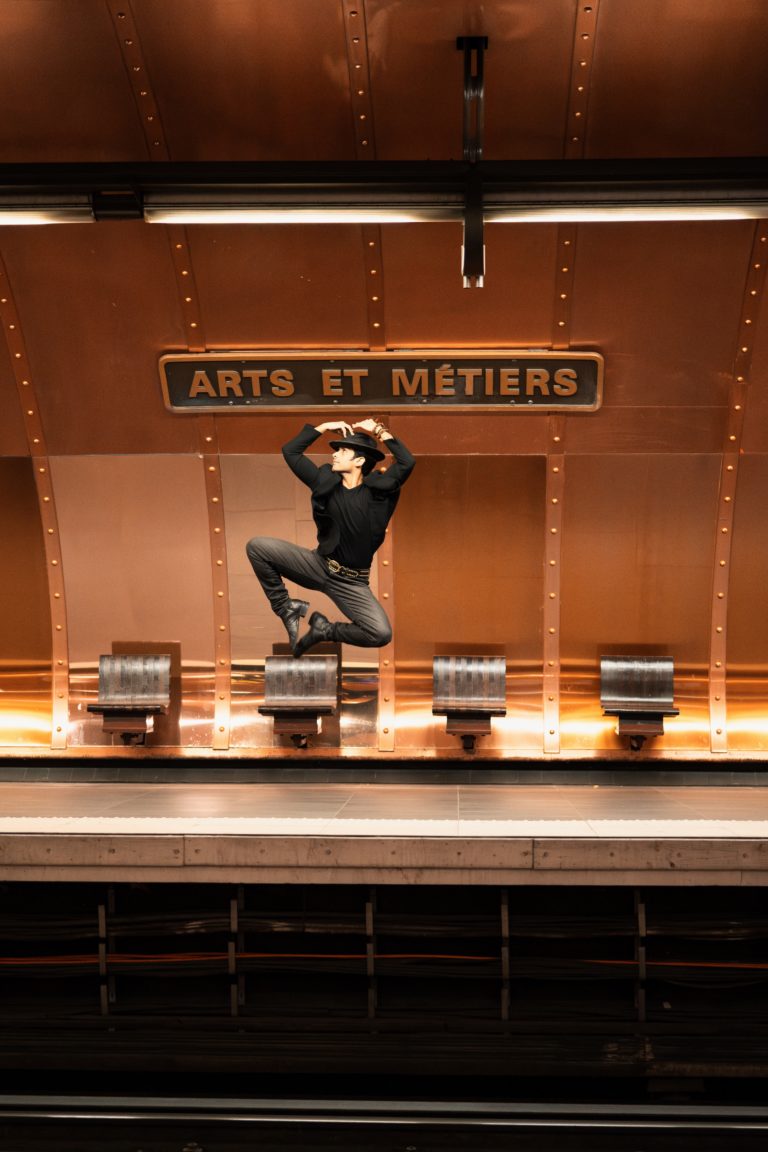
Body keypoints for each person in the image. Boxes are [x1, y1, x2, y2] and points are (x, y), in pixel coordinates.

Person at [246, 416, 415, 657]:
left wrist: (378, 430)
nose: (334, 455)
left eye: (343, 451)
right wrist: (321, 428)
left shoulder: (380, 491)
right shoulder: (324, 482)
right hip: (318, 566)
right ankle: (286, 608)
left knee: (380, 633)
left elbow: (407, 461)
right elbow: (291, 452)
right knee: (257, 547)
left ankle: (324, 630)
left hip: (351, 583)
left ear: (359, 460)